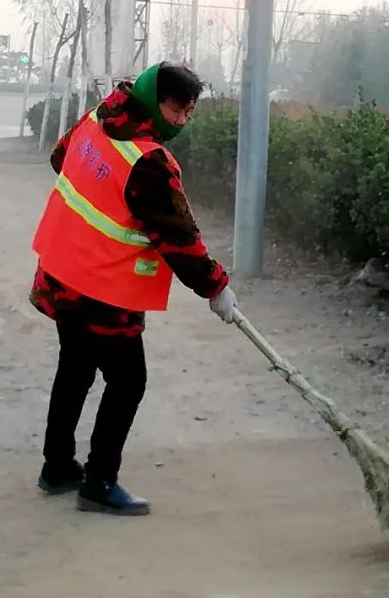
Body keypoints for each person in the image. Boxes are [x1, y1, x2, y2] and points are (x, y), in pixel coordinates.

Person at [28, 62, 238, 516]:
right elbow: (179, 240)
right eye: (176, 108)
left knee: (76, 367)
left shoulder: (98, 116)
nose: (182, 119)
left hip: (63, 270)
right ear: (152, 100)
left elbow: (60, 158)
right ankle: (99, 482)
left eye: (189, 111)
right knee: (128, 381)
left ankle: (58, 467)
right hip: (103, 289)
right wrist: (215, 286)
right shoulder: (149, 162)